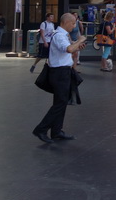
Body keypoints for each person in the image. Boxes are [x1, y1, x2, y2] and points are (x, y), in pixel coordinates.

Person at [32, 13, 87, 143]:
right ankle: (41, 129)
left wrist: (78, 46)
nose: (74, 26)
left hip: (62, 72)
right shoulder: (60, 36)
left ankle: (56, 131)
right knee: (60, 103)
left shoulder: (61, 35)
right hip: (59, 73)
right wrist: (79, 40)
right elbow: (68, 49)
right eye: (73, 23)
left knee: (61, 102)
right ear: (66, 22)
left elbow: (68, 50)